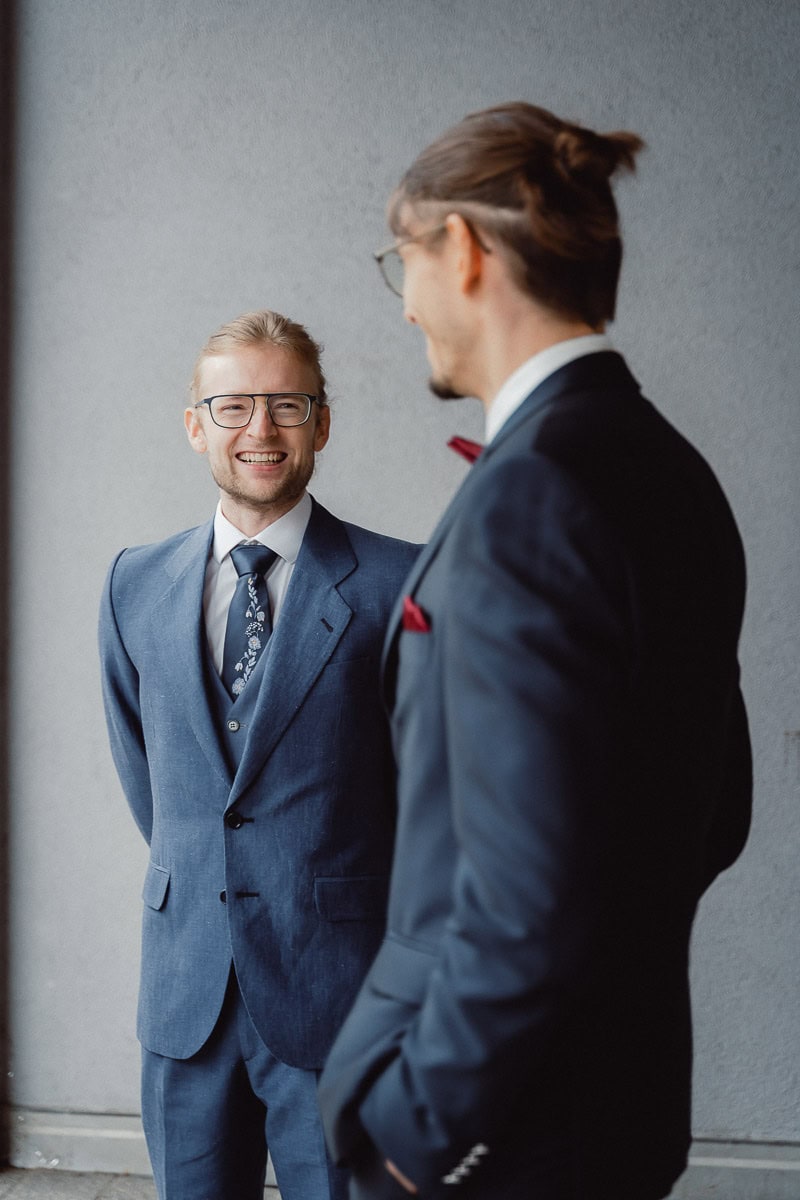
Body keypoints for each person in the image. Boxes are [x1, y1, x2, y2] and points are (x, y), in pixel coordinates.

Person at [318, 102, 752, 1200]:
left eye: (399, 262)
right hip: (616, 1098)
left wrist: (418, 1135)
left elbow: (523, 895)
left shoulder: (531, 497)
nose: (405, 301)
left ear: (460, 251)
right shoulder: (668, 469)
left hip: (495, 1137)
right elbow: (717, 806)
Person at [98, 309, 419, 1200]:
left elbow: (436, 800)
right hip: (185, 994)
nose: (260, 430)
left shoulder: (401, 584)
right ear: (195, 423)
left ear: (322, 421)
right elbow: (150, 779)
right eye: (233, 405)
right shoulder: (133, 582)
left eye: (286, 404)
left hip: (341, 995)